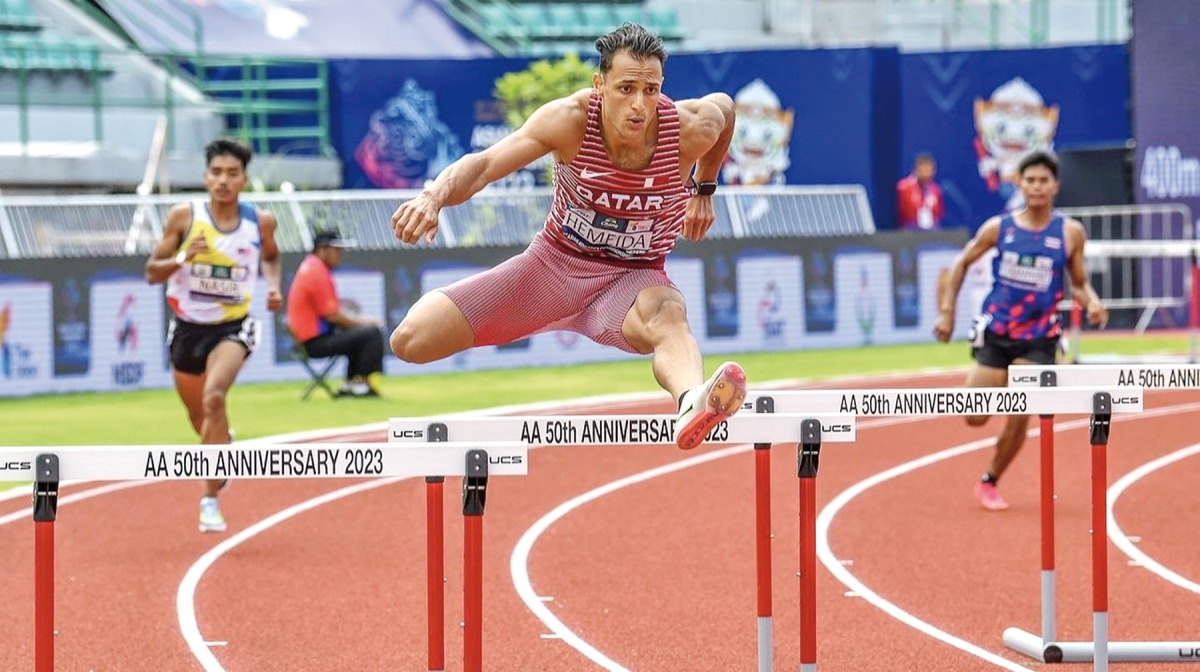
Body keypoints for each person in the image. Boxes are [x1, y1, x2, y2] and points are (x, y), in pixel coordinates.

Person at [388, 22, 747, 450]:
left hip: (631, 280)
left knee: (667, 312)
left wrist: (704, 189)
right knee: (410, 340)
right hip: (552, 268)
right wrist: (432, 197)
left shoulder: (687, 129)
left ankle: (692, 402)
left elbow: (724, 109)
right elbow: (484, 165)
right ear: (600, 84)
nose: (639, 105)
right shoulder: (572, 121)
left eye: (651, 90)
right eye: (625, 88)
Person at [933, 150, 1107, 511]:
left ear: (1055, 186)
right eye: (1030, 180)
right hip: (998, 332)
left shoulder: (1069, 232)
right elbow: (961, 263)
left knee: (1022, 404)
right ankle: (996, 394)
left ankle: (990, 479)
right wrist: (947, 314)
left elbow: (1078, 282)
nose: (1037, 187)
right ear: (1020, 184)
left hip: (1040, 338)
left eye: (1044, 180)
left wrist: (1090, 301)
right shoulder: (1000, 228)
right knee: (974, 416)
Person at [145, 137, 283, 533]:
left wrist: (273, 286)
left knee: (214, 397)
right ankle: (222, 445)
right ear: (206, 178)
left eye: (232, 173)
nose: (224, 180)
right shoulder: (183, 218)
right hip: (187, 328)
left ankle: (209, 499)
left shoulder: (261, 221)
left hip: (233, 326)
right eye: (217, 173)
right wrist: (183, 258)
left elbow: (271, 257)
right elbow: (152, 272)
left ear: (244, 180)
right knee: (199, 415)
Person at [286, 229, 385, 397]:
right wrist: (367, 322)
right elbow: (332, 316)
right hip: (313, 343)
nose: (340, 254)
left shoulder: (311, 266)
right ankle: (360, 385)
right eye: (336, 250)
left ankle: (352, 384)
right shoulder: (317, 272)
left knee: (359, 333)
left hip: (308, 340)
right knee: (371, 333)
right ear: (322, 250)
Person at [896, 153, 945, 231]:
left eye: (930, 170)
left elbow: (939, 213)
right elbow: (901, 212)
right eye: (924, 169)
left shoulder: (935, 190)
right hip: (910, 231)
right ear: (916, 169)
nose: (927, 173)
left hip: (932, 230)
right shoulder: (903, 188)